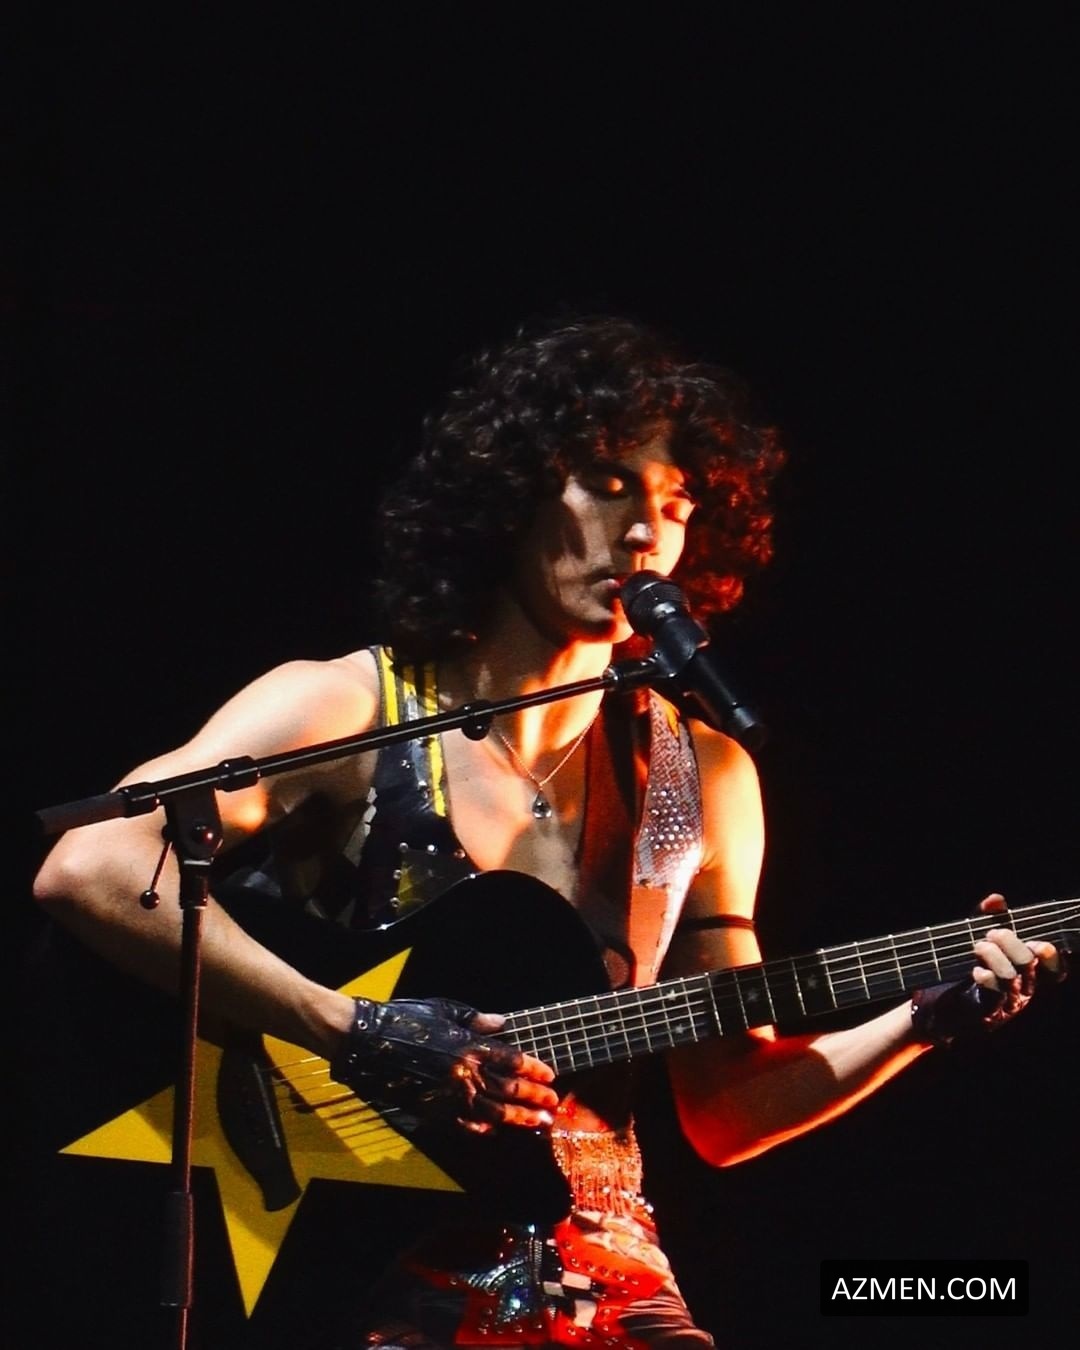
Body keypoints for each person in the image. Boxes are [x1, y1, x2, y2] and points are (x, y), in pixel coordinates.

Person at [32, 312, 1066, 1349]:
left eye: (676, 503)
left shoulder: (701, 774)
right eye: (607, 484)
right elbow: (93, 865)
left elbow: (725, 1111)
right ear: (513, 495)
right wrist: (353, 1027)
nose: (645, 531)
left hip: (602, 1268)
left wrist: (916, 1024)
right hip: (363, 1260)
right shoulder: (349, 704)